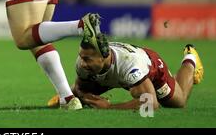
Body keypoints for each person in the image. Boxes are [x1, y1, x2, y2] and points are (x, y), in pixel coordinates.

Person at [48, 33, 204, 110]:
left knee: (177, 102)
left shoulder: (130, 66)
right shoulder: (83, 63)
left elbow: (151, 104)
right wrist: (72, 96)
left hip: (151, 67)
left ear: (104, 56)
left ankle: (190, 58)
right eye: (81, 57)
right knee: (81, 91)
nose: (82, 63)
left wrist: (109, 108)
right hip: (117, 75)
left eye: (87, 59)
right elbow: (80, 88)